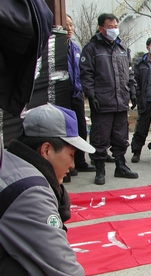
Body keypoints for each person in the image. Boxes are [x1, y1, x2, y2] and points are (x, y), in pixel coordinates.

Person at [1, 104, 101, 276]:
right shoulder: (30, 192)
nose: (73, 165)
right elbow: (60, 266)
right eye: (71, 155)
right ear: (46, 150)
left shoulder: (10, 160)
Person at [80, 13, 138, 185]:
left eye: (115, 26)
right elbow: (86, 74)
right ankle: (99, 169)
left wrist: (133, 91)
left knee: (121, 137)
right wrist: (91, 94)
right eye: (110, 26)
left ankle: (121, 165)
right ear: (101, 28)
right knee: (100, 137)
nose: (114, 29)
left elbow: (130, 73)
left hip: (121, 101)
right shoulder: (92, 48)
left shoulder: (122, 48)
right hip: (102, 101)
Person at [65, 14, 95, 178]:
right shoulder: (53, 48)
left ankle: (80, 161)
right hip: (61, 97)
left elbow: (82, 72)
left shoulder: (76, 48)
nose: (69, 29)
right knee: (65, 132)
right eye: (66, 25)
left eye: (71, 25)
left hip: (76, 94)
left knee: (81, 130)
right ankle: (67, 166)